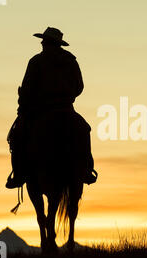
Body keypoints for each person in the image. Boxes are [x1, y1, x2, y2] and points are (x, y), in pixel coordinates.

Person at [6, 27, 97, 189]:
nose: (42, 43)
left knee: (17, 134)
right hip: (65, 108)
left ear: (49, 43)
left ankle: (18, 173)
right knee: (83, 130)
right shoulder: (70, 61)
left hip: (40, 109)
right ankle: (86, 170)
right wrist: (68, 96)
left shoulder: (36, 61)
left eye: (44, 41)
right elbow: (79, 86)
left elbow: (26, 88)